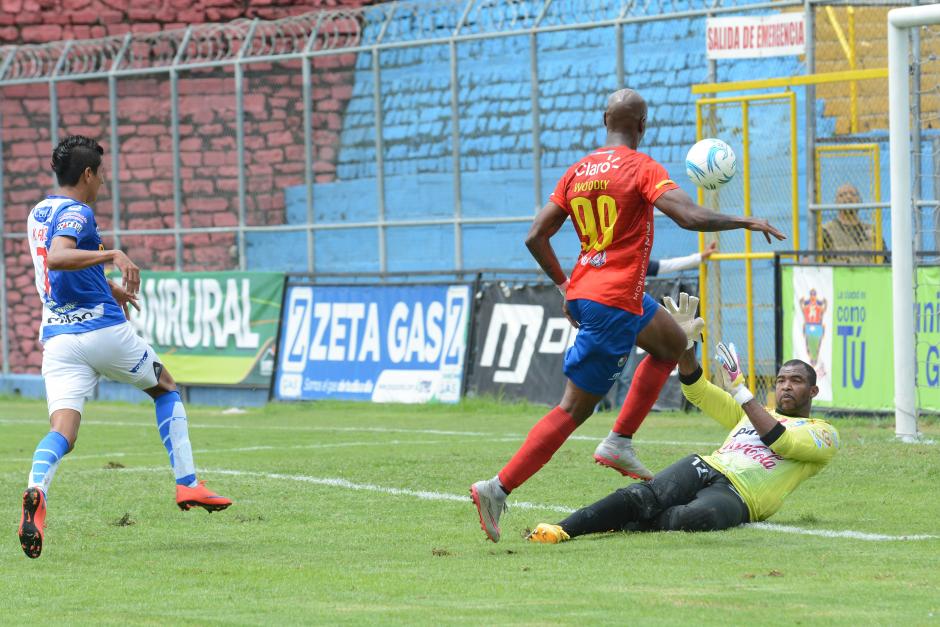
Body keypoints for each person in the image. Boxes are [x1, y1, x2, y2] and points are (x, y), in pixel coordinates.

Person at [470, 88, 786, 543]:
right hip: (614, 303)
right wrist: (745, 221)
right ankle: (497, 488)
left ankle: (620, 440)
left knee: (674, 344)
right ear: (642, 125)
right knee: (572, 410)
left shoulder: (578, 171)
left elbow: (536, 236)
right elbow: (690, 217)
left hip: (600, 294)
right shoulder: (642, 168)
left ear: (605, 120)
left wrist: (565, 285)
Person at [19, 135, 232, 559]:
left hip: (59, 339)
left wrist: (110, 286)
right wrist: (114, 253)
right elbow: (61, 257)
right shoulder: (78, 212)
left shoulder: (39, 211)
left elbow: (60, 268)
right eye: (100, 174)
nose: (102, 183)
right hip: (101, 333)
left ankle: (36, 488)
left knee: (63, 430)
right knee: (166, 387)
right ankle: (188, 483)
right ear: (86, 174)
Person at [526, 292, 839, 543]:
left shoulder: (822, 433)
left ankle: (625, 524)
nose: (786, 385)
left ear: (812, 391)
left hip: (741, 496)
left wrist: (741, 391)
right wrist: (684, 345)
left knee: (695, 518)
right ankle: (560, 529)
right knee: (642, 495)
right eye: (782, 379)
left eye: (796, 381)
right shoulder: (753, 414)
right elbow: (697, 390)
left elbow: (781, 442)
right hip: (707, 466)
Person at [821, 183, 885, 263]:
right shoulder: (826, 230)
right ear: (836, 203)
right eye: (842, 195)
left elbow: (885, 260)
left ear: (860, 201)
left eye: (853, 194)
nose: (848, 197)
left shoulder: (872, 230)